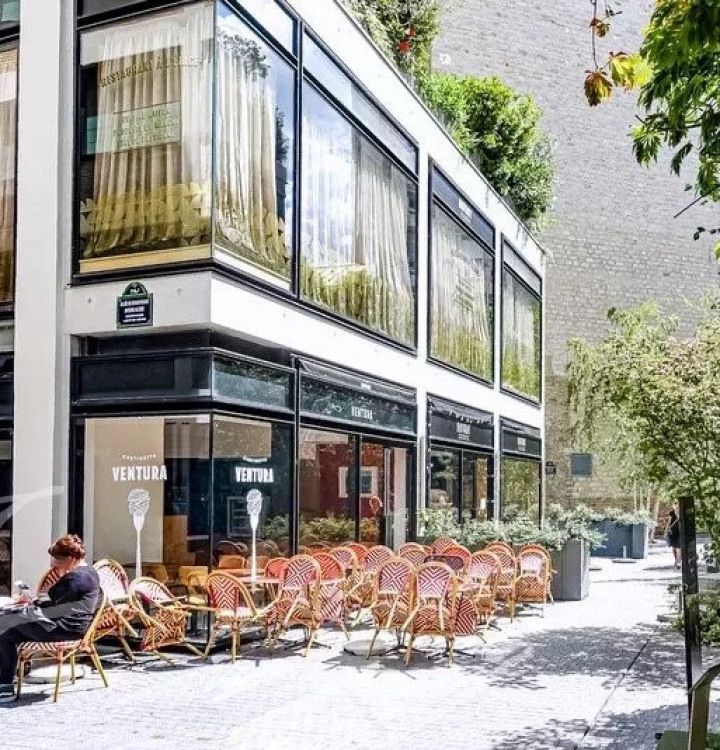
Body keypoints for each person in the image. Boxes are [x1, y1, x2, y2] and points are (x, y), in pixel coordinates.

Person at [0, 534, 101, 702]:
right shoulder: (90, 572)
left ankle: (5, 687)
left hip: (63, 628)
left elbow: (50, 603)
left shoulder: (75, 578)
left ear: (71, 558)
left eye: (58, 559)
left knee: (4, 621)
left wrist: (28, 606)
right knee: (6, 634)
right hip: (71, 626)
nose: (54, 563)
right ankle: (4, 685)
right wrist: (32, 603)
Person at [665, 504, 681, 569]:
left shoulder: (682, 512)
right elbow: (669, 522)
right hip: (673, 532)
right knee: (674, 547)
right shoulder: (671, 512)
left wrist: (677, 514)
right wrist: (666, 531)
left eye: (677, 505)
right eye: (675, 505)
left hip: (680, 532)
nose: (676, 506)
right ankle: (676, 560)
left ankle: (679, 562)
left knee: (679, 548)